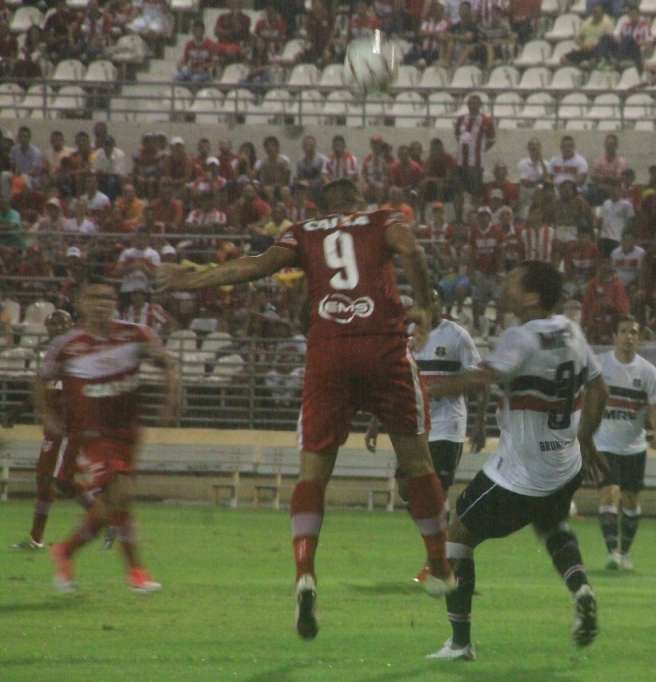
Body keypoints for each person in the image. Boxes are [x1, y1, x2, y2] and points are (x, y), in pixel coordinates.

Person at [157, 177, 456, 640]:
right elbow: (412, 252)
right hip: (383, 348)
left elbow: (255, 267)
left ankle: (305, 574)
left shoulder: (303, 231)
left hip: (327, 350)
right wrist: (427, 306)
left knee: (312, 473)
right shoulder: (381, 219)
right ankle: (438, 565)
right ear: (357, 198)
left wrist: (195, 277)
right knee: (416, 460)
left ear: (322, 204)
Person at [424, 260, 609, 660]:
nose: (504, 283)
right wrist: (587, 440)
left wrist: (427, 389)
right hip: (565, 465)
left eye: (512, 280)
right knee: (552, 528)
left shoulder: (520, 338)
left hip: (521, 474)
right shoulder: (572, 332)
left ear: (531, 296)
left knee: (458, 533)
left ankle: (460, 643)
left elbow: (479, 379)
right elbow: (599, 389)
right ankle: (582, 591)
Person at [43, 283, 178, 594]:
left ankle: (68, 551)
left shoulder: (135, 334)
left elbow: (166, 361)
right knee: (120, 493)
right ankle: (135, 571)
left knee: (118, 499)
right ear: (81, 303)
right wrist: (48, 416)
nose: (102, 304)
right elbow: (42, 380)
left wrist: (171, 396)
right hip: (91, 432)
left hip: (128, 431)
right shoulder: (67, 344)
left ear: (115, 303)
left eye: (107, 298)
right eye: (94, 298)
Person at [365, 288, 487, 582]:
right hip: (415, 427)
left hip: (447, 426)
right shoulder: (407, 337)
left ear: (439, 305)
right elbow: (391, 382)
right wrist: (375, 420)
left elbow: (480, 377)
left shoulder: (456, 335)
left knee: (434, 492)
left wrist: (480, 424)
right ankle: (441, 552)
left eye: (429, 301)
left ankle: (438, 562)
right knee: (408, 490)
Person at [595, 316, 656, 571]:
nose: (629, 337)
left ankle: (625, 552)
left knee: (630, 501)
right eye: (623, 331)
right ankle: (612, 552)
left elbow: (655, 407)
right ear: (614, 336)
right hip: (603, 444)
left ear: (640, 337)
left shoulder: (648, 371)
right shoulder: (600, 365)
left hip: (634, 446)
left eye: (633, 332)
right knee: (609, 492)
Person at [9, 311, 75, 550]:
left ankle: (109, 524)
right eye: (52, 323)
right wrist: (18, 411)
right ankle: (36, 538)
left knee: (59, 481)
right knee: (44, 480)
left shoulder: (75, 351)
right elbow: (44, 387)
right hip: (53, 428)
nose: (56, 327)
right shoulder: (54, 353)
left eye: (61, 323)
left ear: (71, 325)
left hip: (68, 428)